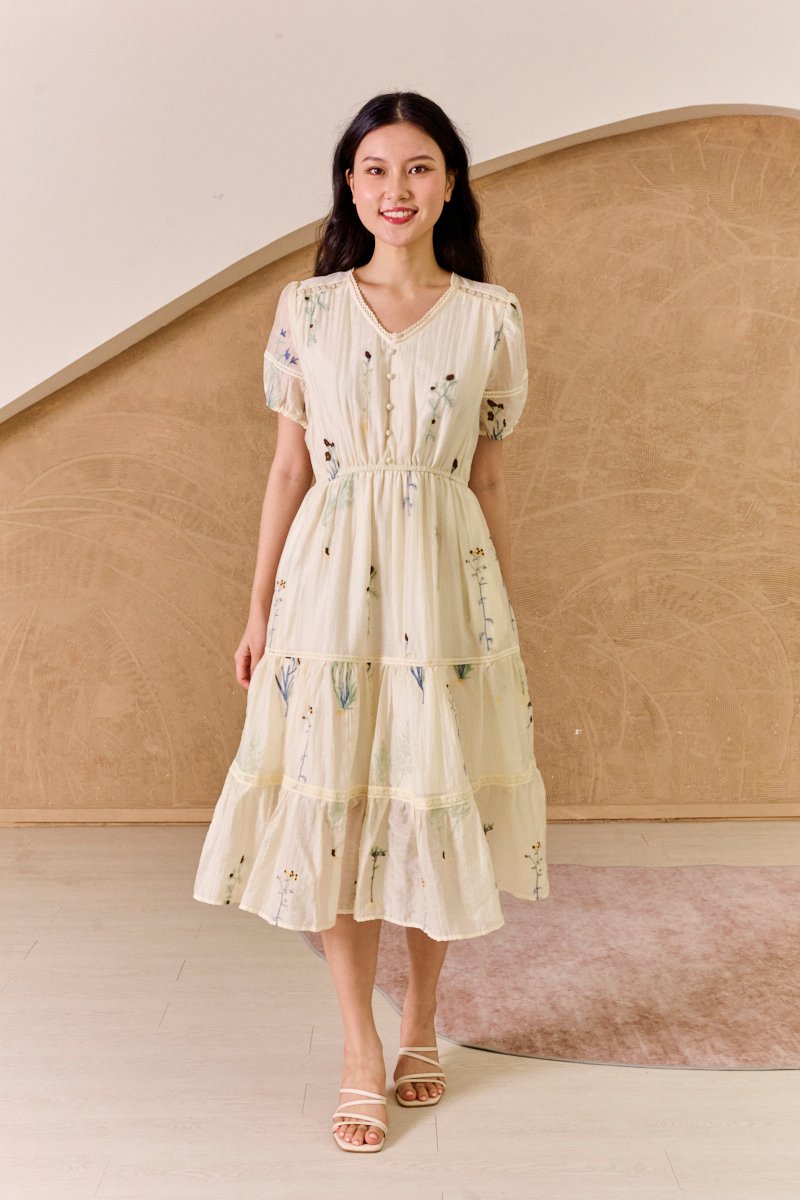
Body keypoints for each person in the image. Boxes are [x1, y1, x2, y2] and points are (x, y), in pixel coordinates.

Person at [193, 90, 550, 1154]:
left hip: (445, 592)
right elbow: (286, 470)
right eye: (376, 169)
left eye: (418, 167)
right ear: (350, 186)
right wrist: (257, 608)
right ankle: (359, 1046)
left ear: (449, 184)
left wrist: (498, 617)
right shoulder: (306, 309)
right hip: (327, 593)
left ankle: (421, 1020)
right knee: (337, 810)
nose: (397, 189)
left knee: (430, 801)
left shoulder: (491, 316)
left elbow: (488, 479)